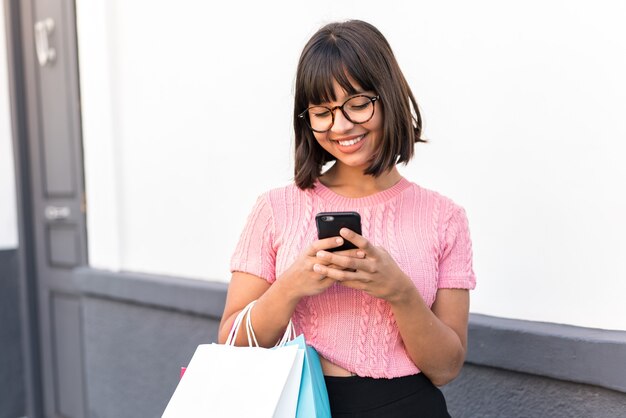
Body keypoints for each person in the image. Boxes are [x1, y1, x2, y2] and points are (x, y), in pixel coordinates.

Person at [218, 19, 476, 418]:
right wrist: (291, 286)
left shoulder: (444, 218)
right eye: (322, 112)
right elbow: (232, 344)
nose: (341, 126)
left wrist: (399, 291)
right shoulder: (275, 208)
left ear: (387, 96)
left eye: (357, 104)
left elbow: (445, 369)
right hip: (302, 404)